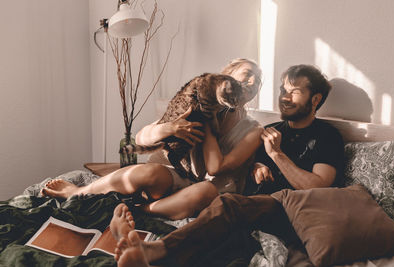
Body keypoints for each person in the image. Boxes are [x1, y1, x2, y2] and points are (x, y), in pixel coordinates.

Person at [108, 64, 345, 267]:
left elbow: (319, 187)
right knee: (224, 237)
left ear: (315, 99)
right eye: (283, 89)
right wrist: (257, 167)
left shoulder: (327, 135)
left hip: (290, 207)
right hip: (254, 205)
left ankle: (155, 250)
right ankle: (147, 252)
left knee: (227, 204)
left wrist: (277, 155)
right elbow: (251, 164)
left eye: (294, 92)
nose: (284, 97)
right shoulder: (273, 130)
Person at [42, 58, 264, 220]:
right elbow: (142, 138)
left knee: (203, 191)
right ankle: (79, 192)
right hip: (178, 176)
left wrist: (207, 118)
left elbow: (216, 168)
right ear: (226, 74)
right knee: (149, 171)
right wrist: (170, 128)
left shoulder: (254, 129)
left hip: (213, 189)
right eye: (248, 73)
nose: (253, 81)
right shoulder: (190, 102)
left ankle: (140, 211)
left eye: (259, 80)